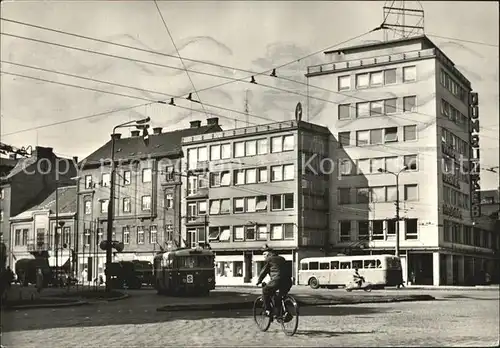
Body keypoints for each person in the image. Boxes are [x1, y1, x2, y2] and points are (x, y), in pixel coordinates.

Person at [256, 245, 293, 316]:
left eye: (264, 254)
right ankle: (282, 314)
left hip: (277, 281)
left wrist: (259, 281)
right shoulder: (282, 258)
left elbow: (264, 271)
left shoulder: (269, 259)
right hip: (288, 281)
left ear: (269, 254)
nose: (264, 256)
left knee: (265, 290)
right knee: (278, 297)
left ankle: (268, 310)